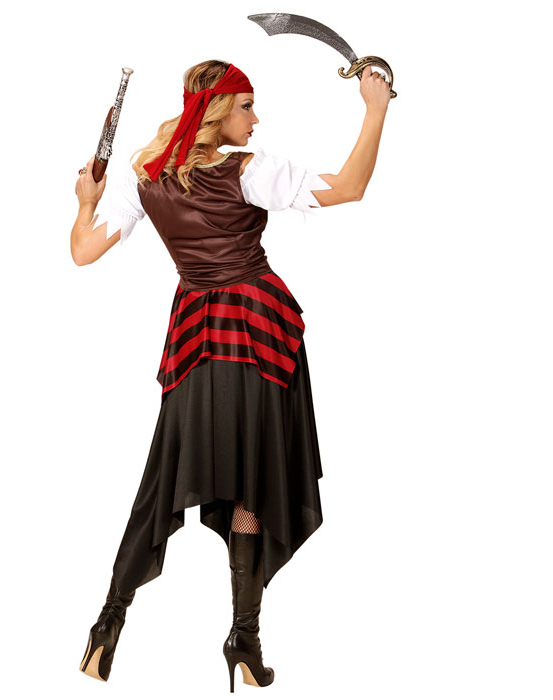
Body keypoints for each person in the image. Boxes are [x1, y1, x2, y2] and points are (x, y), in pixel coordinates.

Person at [71, 59, 391, 691]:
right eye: (246, 105)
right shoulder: (246, 170)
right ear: (215, 112)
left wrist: (86, 203)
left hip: (195, 339)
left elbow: (83, 250)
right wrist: (375, 108)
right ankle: (243, 637)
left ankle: (108, 625)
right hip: (259, 337)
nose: (256, 118)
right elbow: (349, 186)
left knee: (163, 476)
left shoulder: (146, 176)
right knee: (251, 480)